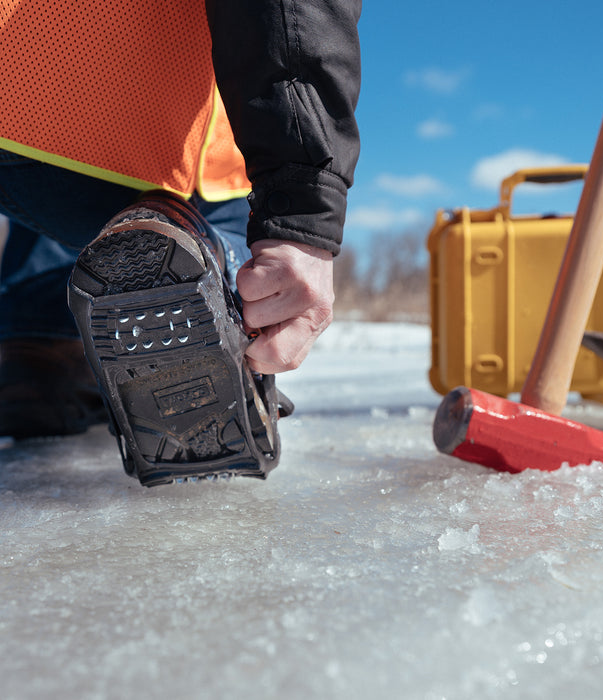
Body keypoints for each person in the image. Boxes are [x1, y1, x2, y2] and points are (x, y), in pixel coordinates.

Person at [0, 1, 361, 485]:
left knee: (80, 240)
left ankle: (40, 356)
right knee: (209, 228)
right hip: (115, 124)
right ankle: (210, 275)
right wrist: (300, 217)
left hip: (20, 99)